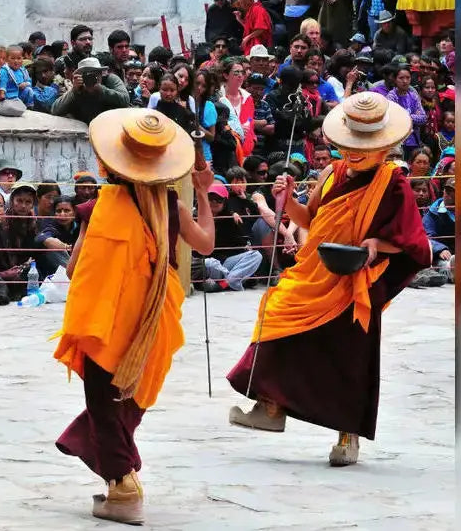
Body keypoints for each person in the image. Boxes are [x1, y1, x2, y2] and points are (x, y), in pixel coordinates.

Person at [225, 92, 431, 467]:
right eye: (350, 144)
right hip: (316, 270)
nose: (354, 153)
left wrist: (376, 244)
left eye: (364, 147)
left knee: (348, 357)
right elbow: (310, 219)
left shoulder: (393, 183)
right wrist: (287, 199)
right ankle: (270, 407)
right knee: (277, 313)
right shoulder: (331, 173)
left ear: (383, 147)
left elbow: (415, 244)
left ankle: (348, 436)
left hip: (355, 279)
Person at [53, 107, 215, 525]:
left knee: (103, 401)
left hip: (105, 320)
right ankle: (119, 478)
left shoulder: (98, 207)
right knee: (123, 401)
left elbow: (73, 269)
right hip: (154, 320)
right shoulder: (172, 205)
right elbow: (206, 245)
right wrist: (202, 193)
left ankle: (123, 487)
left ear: (109, 163)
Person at [202, 183, 264, 291]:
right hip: (211, 264)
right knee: (208, 262)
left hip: (227, 262)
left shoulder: (231, 219)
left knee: (256, 255)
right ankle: (236, 278)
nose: (214, 202)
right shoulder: (197, 217)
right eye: (211, 198)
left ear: (225, 202)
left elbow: (239, 244)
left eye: (218, 199)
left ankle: (225, 283)